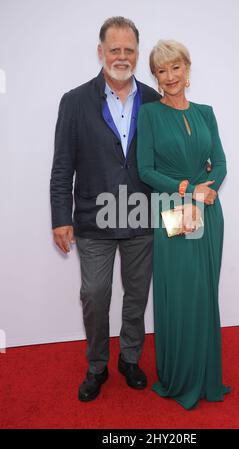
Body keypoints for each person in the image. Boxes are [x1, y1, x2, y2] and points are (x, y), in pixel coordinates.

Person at [50, 17, 161, 402]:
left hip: (142, 216)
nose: (122, 56)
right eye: (114, 49)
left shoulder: (154, 99)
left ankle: (130, 359)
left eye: (129, 49)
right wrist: (60, 218)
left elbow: (165, 158)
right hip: (93, 219)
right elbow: (63, 165)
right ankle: (97, 366)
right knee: (95, 294)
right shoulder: (75, 101)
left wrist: (199, 165)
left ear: (137, 53)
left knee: (136, 295)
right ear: (100, 51)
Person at [136, 40, 231, 410]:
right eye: (162, 70)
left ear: (187, 69)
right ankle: (179, 375)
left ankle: (207, 375)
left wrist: (208, 189)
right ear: (156, 76)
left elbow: (220, 162)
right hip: (175, 211)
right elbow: (146, 170)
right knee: (180, 294)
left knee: (205, 293)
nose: (170, 76)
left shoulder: (206, 112)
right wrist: (189, 188)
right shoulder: (150, 115)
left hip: (208, 211)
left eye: (176, 68)